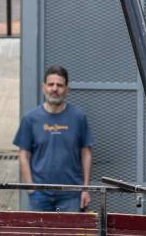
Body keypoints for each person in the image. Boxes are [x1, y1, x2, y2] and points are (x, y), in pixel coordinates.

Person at [13, 65, 93, 212]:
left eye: (60, 85)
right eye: (51, 84)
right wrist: (31, 188)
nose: (55, 89)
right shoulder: (30, 119)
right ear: (43, 87)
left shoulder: (78, 118)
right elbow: (23, 155)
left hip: (71, 195)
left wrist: (85, 189)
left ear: (67, 89)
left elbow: (86, 153)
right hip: (40, 195)